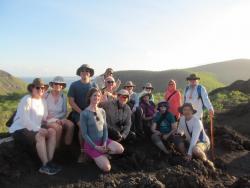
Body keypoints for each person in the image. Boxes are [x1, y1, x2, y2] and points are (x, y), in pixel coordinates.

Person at [9, 78, 60, 175]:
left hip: (34, 128)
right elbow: (25, 120)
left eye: (43, 88)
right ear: (32, 88)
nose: (41, 90)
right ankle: (45, 166)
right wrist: (38, 129)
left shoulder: (43, 102)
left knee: (52, 132)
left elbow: (45, 118)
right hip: (20, 128)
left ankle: (49, 162)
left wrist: (56, 120)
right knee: (40, 136)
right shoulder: (27, 99)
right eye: (38, 88)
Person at [80, 88, 124, 172]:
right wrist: (96, 147)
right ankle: (93, 155)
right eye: (95, 95)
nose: (97, 97)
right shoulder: (84, 113)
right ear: (89, 97)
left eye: (99, 95)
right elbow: (84, 134)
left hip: (103, 141)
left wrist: (104, 143)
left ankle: (103, 153)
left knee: (120, 149)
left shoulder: (102, 111)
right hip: (92, 145)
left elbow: (105, 129)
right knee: (107, 168)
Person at [68, 64, 96, 163]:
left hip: (91, 111)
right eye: (82, 71)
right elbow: (71, 101)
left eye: (87, 71)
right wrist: (82, 112)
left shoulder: (93, 85)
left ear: (90, 73)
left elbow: (97, 99)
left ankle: (95, 150)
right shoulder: (74, 85)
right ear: (80, 73)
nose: (85, 73)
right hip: (78, 113)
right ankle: (83, 152)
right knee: (83, 126)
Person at [175, 103, 215, 169]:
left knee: (195, 149)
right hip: (190, 142)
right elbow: (180, 131)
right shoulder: (182, 119)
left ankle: (206, 162)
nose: (187, 111)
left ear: (192, 111)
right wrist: (178, 134)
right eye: (185, 110)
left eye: (189, 110)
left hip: (203, 142)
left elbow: (194, 139)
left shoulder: (197, 122)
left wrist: (189, 154)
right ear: (182, 111)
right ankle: (185, 155)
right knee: (176, 138)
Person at [45, 76, 74, 147]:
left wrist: (58, 119)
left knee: (71, 125)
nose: (58, 86)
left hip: (60, 118)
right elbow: (43, 110)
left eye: (60, 84)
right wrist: (54, 120)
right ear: (52, 85)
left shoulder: (63, 97)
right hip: (48, 118)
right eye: (56, 84)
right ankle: (56, 147)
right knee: (59, 128)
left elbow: (64, 111)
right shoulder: (46, 95)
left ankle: (67, 146)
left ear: (62, 86)